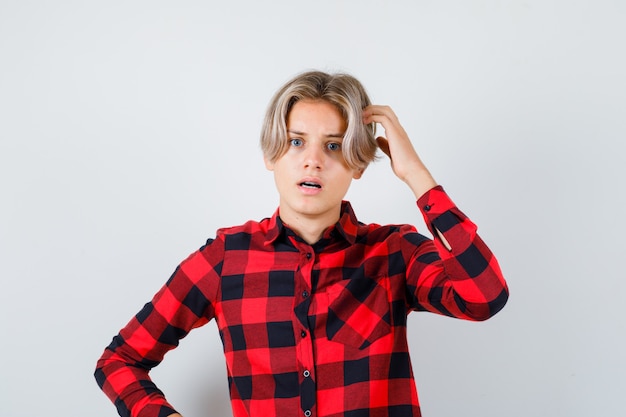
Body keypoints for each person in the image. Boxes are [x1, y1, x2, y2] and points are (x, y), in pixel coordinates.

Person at [95, 70, 509, 417]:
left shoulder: (393, 253)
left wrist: (416, 174)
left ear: (358, 164)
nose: (313, 160)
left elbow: (484, 297)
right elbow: (119, 361)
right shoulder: (225, 260)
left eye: (333, 146)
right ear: (272, 155)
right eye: (296, 142)